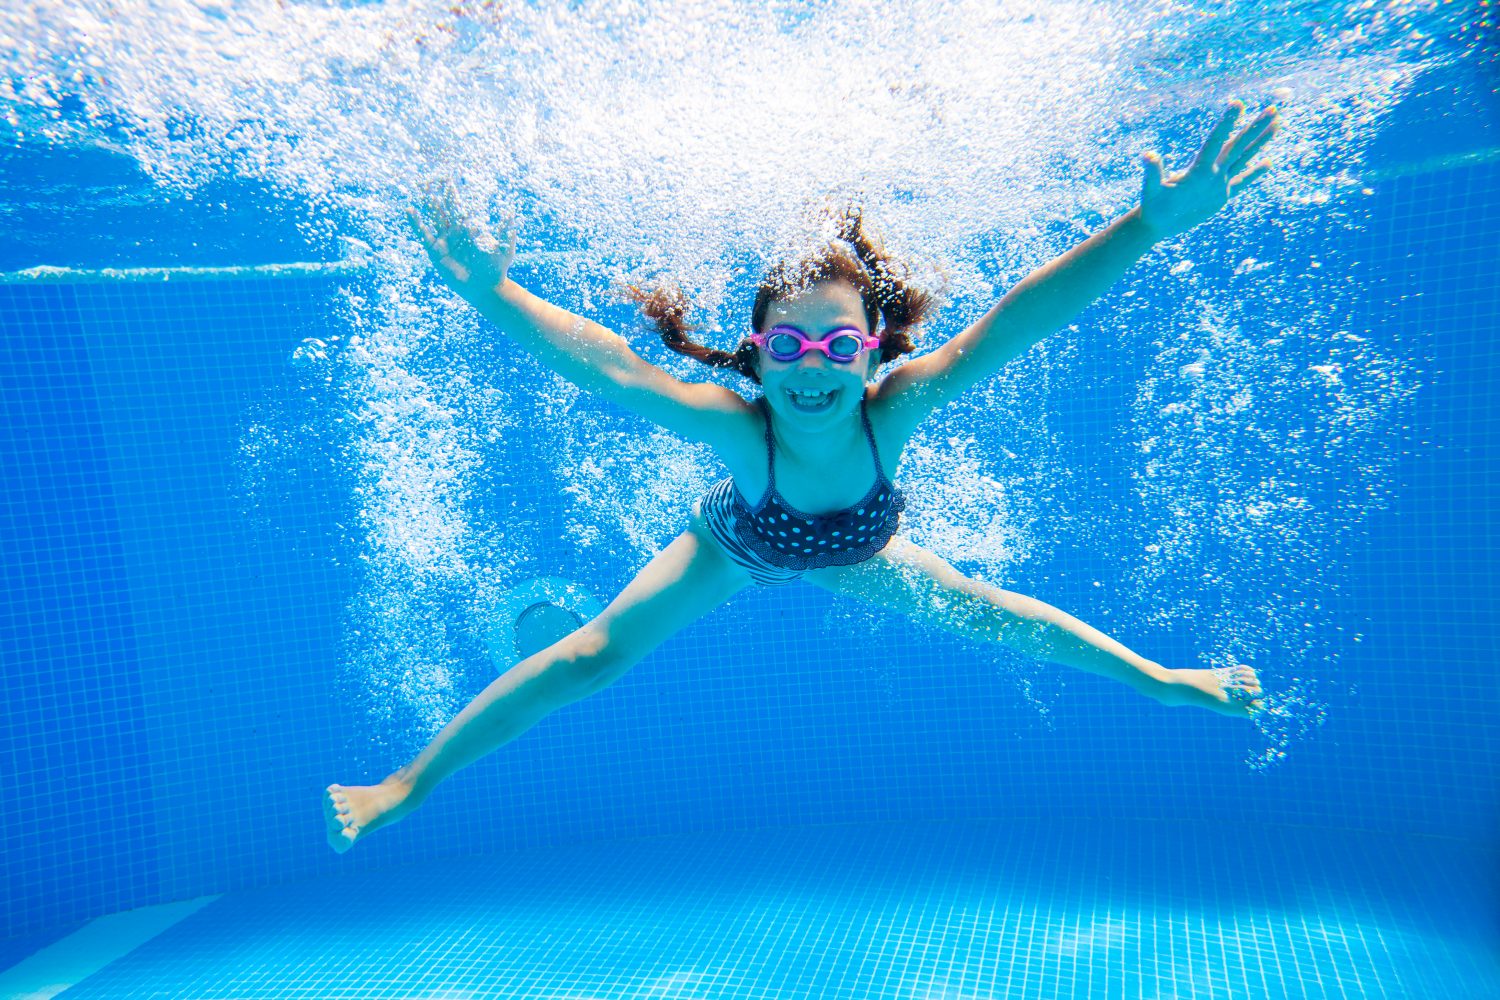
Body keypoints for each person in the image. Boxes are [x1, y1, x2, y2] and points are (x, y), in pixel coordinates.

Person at [326, 99, 1279, 853]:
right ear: (757, 355)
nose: (813, 367)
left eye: (836, 345)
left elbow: (1020, 321)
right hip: (738, 543)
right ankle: (407, 783)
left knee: (992, 608)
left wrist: (1145, 230)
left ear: (872, 352)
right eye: (789, 344)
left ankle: (1158, 679)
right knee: (591, 655)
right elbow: (614, 366)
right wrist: (495, 290)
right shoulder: (744, 435)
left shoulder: (897, 408)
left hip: (864, 550)